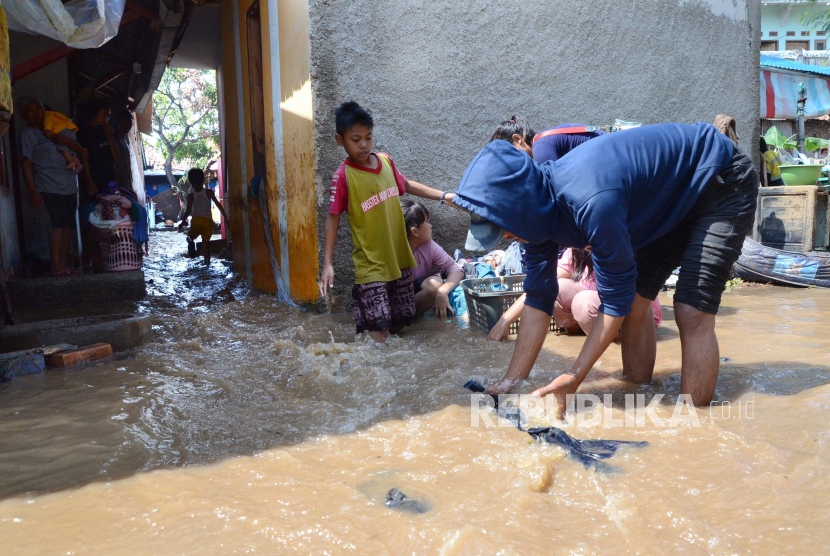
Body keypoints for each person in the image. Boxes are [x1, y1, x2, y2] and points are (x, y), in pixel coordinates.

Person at [454, 122, 758, 418]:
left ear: (521, 206)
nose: (508, 238)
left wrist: (574, 376)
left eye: (505, 231)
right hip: (670, 200)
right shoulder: (535, 219)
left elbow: (615, 301)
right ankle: (638, 391)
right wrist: (511, 382)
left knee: (692, 310)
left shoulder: (590, 199)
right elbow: (537, 298)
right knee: (639, 300)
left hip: (720, 179)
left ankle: (695, 427)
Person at [318, 101, 456, 342]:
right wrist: (327, 263)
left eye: (368, 138)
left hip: (399, 259)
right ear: (340, 141)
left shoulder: (385, 162)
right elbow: (332, 219)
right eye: (355, 139)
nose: (363, 145)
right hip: (371, 264)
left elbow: (408, 185)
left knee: (402, 319)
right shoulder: (342, 177)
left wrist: (444, 196)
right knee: (378, 327)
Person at [488, 247, 663, 341]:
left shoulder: (617, 242)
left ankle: (613, 342)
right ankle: (583, 336)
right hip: (595, 312)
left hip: (636, 320)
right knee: (557, 288)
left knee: (583, 302)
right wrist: (504, 322)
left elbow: (631, 296)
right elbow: (541, 285)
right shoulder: (576, 250)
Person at [18, 97, 80, 276]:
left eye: (38, 109)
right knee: (58, 225)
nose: (36, 114)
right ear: (24, 116)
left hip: (69, 184)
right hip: (48, 186)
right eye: (30, 111)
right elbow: (26, 165)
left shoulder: (54, 129)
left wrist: (64, 140)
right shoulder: (27, 135)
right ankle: (55, 265)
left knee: (68, 225)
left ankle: (65, 264)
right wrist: (32, 190)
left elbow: (77, 148)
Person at [400, 199, 465, 318]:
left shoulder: (428, 245)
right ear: (414, 231)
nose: (431, 226)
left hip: (416, 297)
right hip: (396, 304)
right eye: (427, 222)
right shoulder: (392, 252)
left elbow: (454, 268)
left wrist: (442, 291)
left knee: (435, 283)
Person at [178, 168, 228, 265]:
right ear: (203, 180)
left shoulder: (191, 196)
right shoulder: (209, 192)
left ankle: (191, 245)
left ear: (191, 182)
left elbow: (188, 211)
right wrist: (226, 217)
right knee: (205, 245)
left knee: (190, 237)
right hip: (207, 221)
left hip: (196, 220)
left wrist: (183, 221)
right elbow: (218, 205)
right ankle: (207, 263)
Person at [41, 110, 83, 174]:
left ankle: (71, 161)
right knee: (70, 151)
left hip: (63, 131)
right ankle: (78, 164)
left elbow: (48, 123)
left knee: (61, 146)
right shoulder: (57, 115)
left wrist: (48, 131)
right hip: (71, 131)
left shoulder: (47, 115)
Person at [113, 111, 134, 191]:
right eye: (124, 122)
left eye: (129, 122)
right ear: (117, 123)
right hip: (117, 186)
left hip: (126, 186)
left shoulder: (125, 141)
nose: (127, 125)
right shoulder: (113, 140)